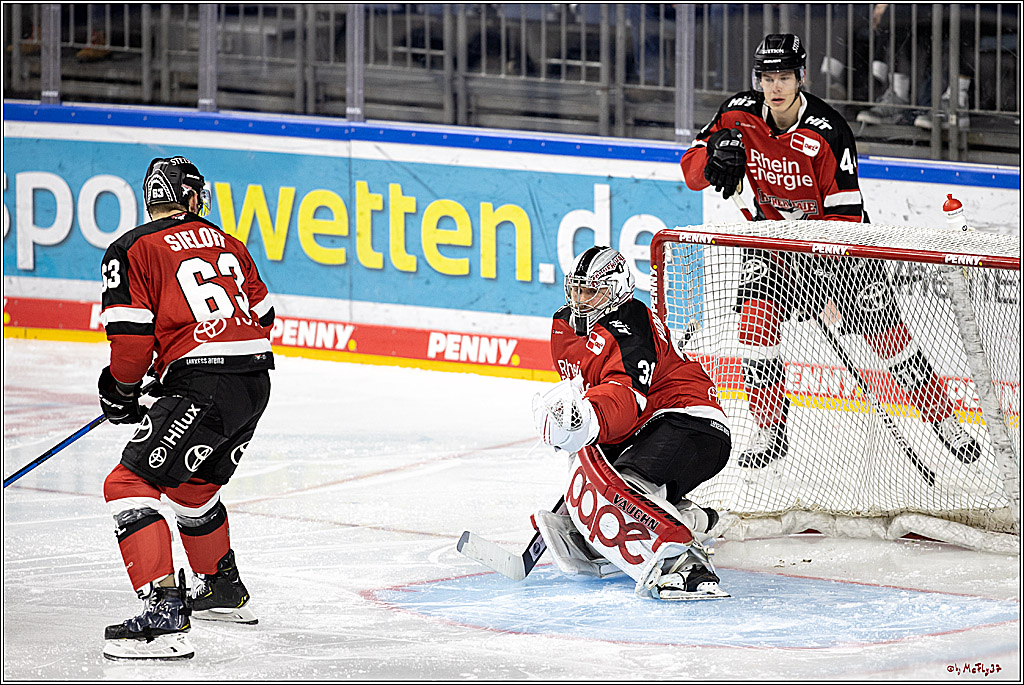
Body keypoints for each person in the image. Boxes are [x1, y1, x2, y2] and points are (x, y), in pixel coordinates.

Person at [679, 33, 982, 469]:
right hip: (772, 246)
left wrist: (822, 279)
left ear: (801, 77)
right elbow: (692, 174)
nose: (776, 87)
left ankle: (945, 419)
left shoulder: (828, 130)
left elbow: (845, 218)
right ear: (758, 80)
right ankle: (770, 429)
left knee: (890, 340)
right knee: (754, 329)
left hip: (841, 249)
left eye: (785, 77)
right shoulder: (736, 114)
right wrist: (713, 157)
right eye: (768, 78)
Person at [98, 156, 275, 660]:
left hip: (204, 384)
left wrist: (121, 389)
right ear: (194, 198)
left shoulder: (131, 247)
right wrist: (177, 367)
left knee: (128, 483)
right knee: (192, 489)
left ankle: (163, 617)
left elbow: (131, 341)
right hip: (254, 382)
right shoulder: (229, 243)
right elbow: (263, 316)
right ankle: (221, 588)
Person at [531, 246, 732, 601]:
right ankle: (697, 520)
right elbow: (589, 394)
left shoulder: (631, 322)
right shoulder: (564, 326)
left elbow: (625, 398)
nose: (581, 300)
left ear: (618, 288)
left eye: (591, 291)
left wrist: (587, 419)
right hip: (649, 427)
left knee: (626, 491)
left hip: (691, 422)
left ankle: (689, 565)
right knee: (609, 491)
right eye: (576, 290)